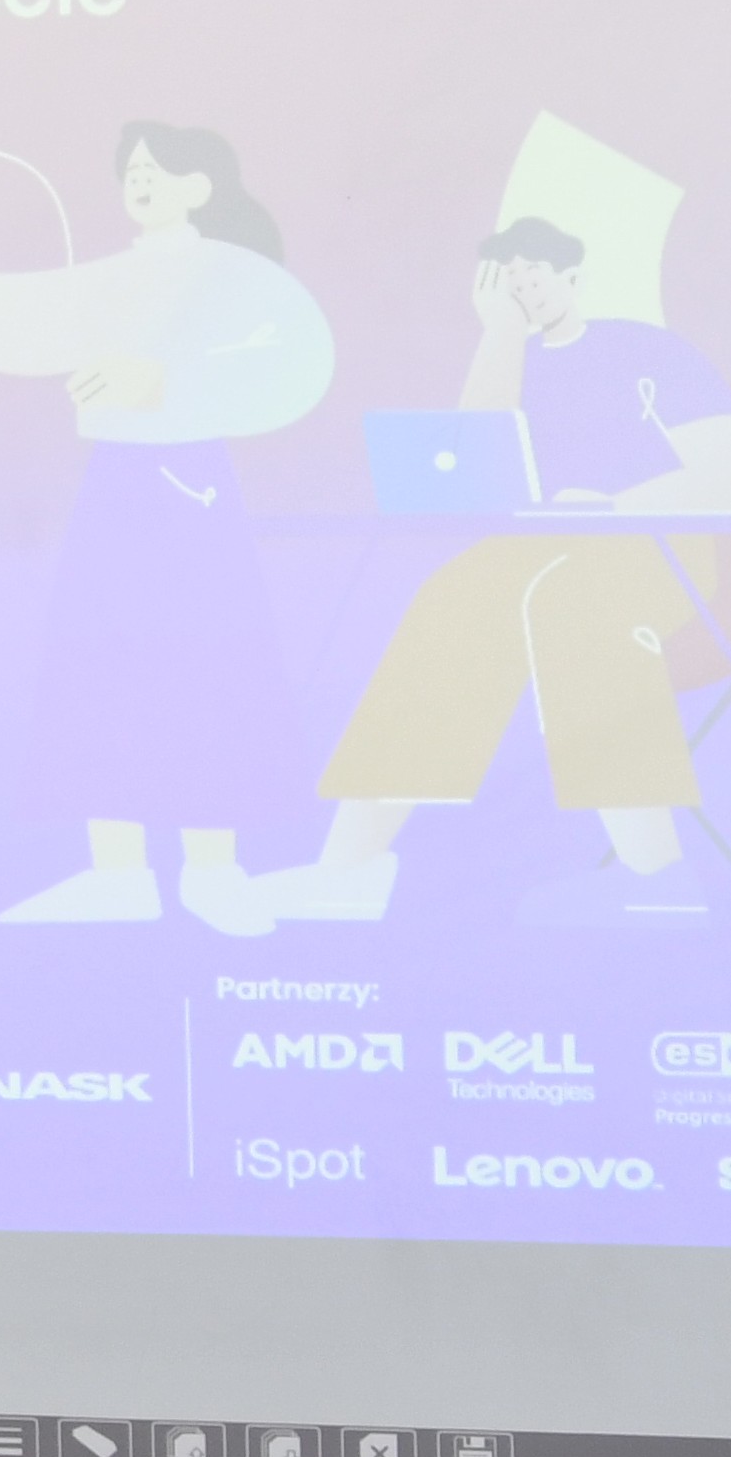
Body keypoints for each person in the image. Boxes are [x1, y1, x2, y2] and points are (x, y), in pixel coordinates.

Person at [0, 122, 331, 934]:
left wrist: (166, 382)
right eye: (130, 168)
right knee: (101, 665)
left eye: (156, 168)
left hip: (191, 487)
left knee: (203, 667)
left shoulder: (235, 275)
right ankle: (119, 874)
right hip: (116, 483)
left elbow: (293, 364)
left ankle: (213, 871)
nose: (138, 179)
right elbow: (41, 314)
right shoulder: (120, 275)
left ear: (198, 186)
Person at [253, 216, 731, 928]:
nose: (525, 288)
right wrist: (500, 333)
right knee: (454, 595)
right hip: (547, 548)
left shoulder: (643, 348)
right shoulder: (514, 360)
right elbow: (474, 475)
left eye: (535, 272)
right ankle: (347, 871)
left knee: (574, 602)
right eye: (510, 281)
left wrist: (611, 506)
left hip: (665, 547)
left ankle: (655, 875)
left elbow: (719, 470)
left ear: (573, 275)